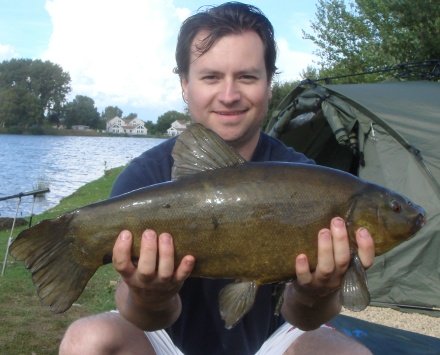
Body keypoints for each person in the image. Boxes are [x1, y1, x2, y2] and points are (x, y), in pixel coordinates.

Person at [59, 2, 374, 354]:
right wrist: (151, 296)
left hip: (274, 340)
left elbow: (305, 316)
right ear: (185, 84)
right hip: (165, 338)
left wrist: (314, 291)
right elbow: (140, 313)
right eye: (211, 77)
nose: (229, 95)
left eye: (247, 77)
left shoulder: (307, 179)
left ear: (269, 84)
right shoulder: (143, 180)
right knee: (86, 340)